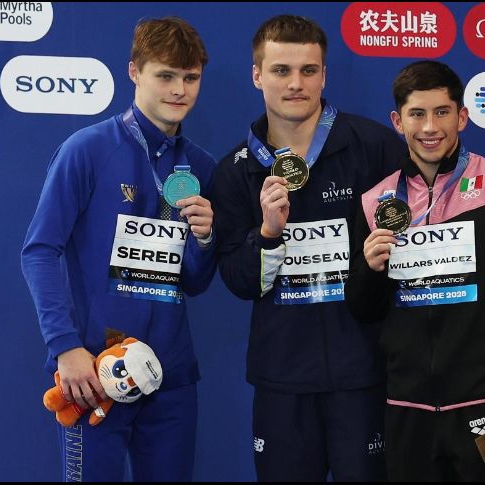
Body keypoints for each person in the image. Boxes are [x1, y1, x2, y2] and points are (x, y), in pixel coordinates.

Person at [344, 60, 485, 481]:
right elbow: (363, 308)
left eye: (442, 112)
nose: (430, 127)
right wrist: (371, 270)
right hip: (408, 407)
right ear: (397, 121)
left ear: (462, 117)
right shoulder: (375, 201)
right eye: (417, 114)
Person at [212, 14, 408, 482]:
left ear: (324, 74)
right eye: (281, 71)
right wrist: (268, 234)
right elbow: (240, 283)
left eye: (308, 70)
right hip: (282, 380)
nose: (296, 84)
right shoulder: (236, 171)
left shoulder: (376, 148)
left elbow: (411, 257)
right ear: (257, 75)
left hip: (364, 375)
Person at [21, 17, 216, 482]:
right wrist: (66, 347)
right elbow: (40, 250)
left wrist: (205, 240)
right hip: (92, 372)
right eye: (165, 76)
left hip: (169, 377)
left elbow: (194, 280)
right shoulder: (86, 150)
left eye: (190, 78)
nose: (179, 90)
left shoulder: (203, 166)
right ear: (134, 72)